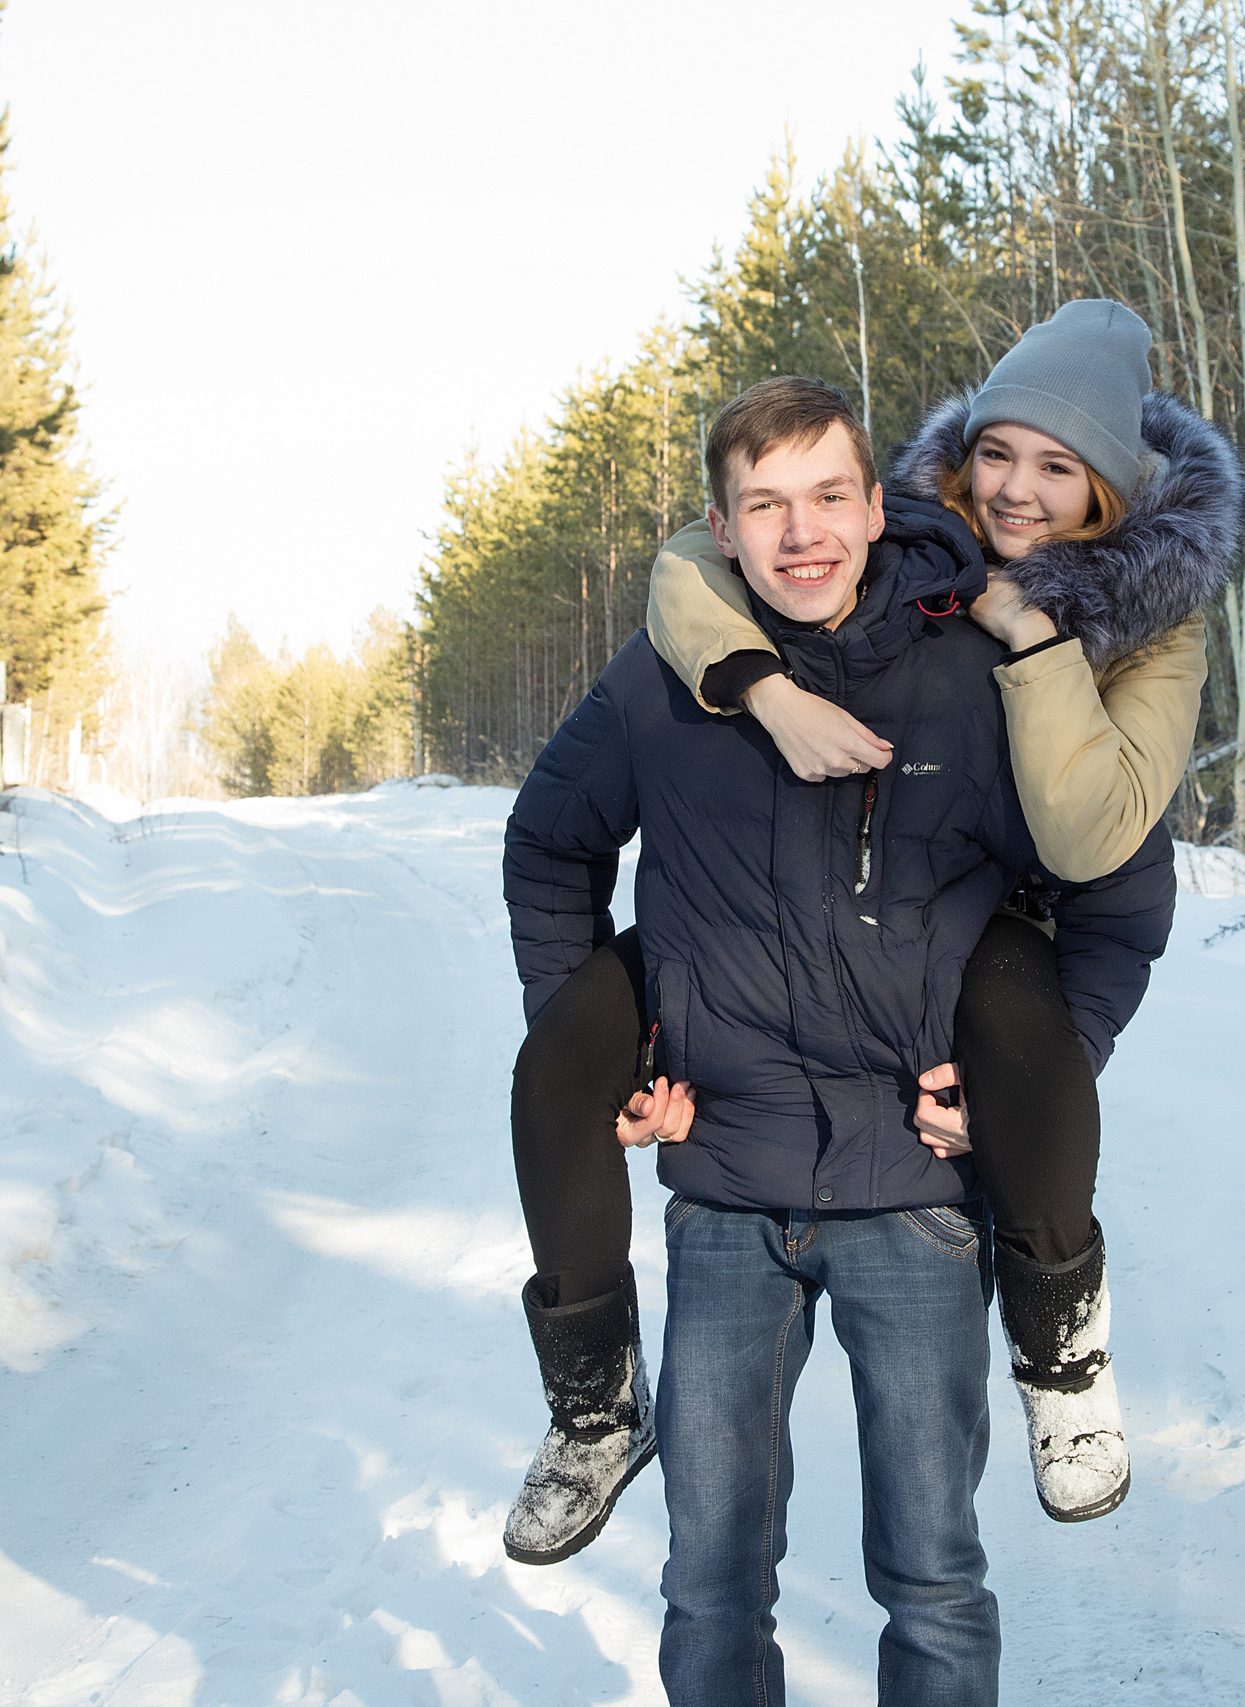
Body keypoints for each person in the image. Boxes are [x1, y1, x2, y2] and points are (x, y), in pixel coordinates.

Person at [502, 376, 1175, 1703]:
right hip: (726, 1202)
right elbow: (550, 844)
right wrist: (620, 1050)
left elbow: (1121, 893)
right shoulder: (663, 679)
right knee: (710, 1590)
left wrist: (1039, 1092)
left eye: (826, 497)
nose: (799, 534)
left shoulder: (987, 671)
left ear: (878, 506)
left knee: (931, 1583)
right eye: (765, 506)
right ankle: (589, 1405)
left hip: (915, 1206)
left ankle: (1068, 1352)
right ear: (722, 527)